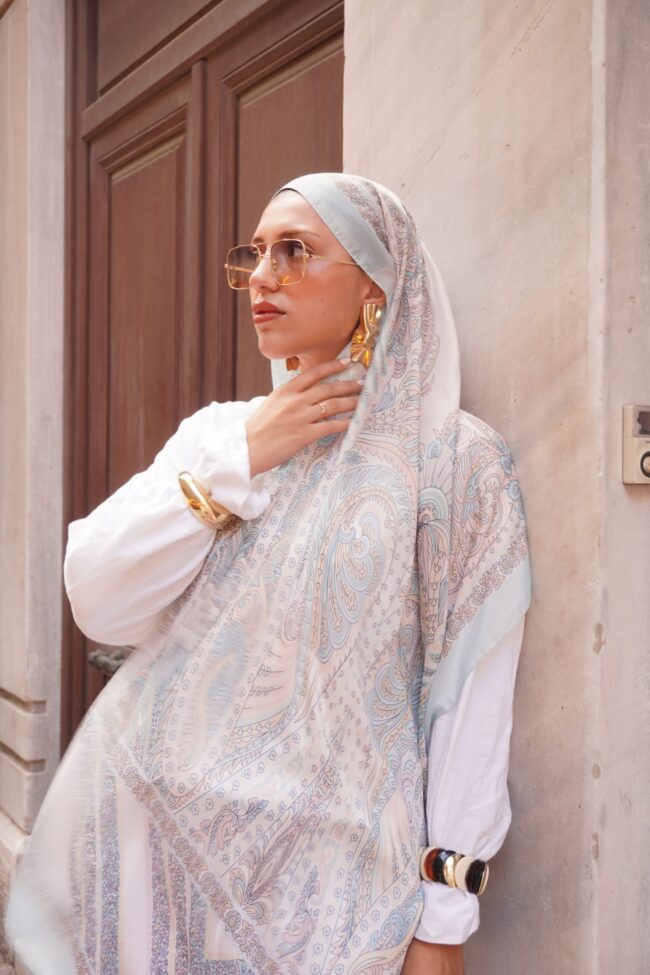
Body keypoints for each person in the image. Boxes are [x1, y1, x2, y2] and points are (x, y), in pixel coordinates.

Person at [5, 173, 531, 975]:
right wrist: (242, 459)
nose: (263, 275)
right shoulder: (221, 438)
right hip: (158, 873)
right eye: (255, 253)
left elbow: (471, 700)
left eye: (296, 251)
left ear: (376, 285)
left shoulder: (453, 460)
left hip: (338, 903)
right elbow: (97, 596)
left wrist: (445, 916)